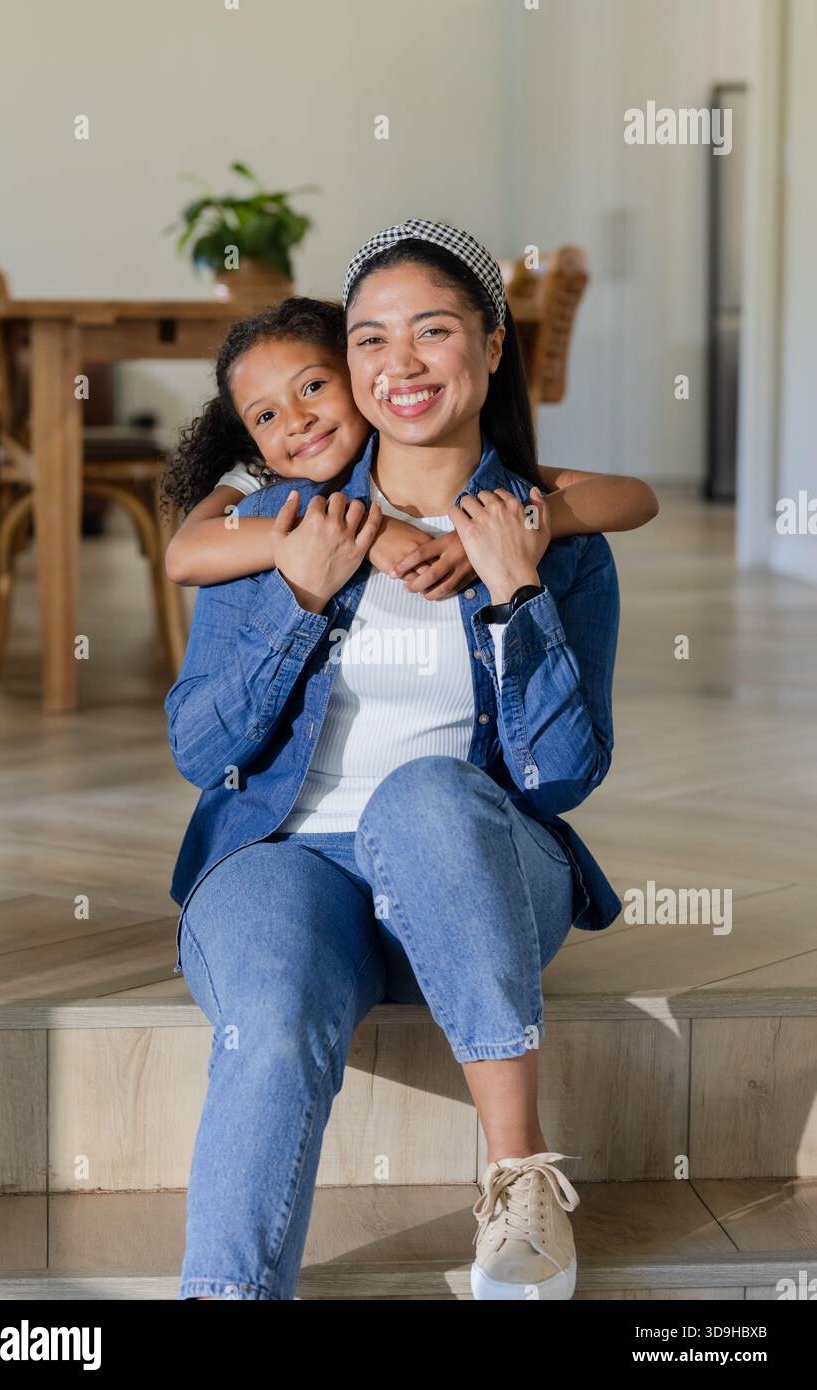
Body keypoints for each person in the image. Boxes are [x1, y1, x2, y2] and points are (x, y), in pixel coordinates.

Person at [164, 218, 644, 1301]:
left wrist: (517, 590)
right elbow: (201, 747)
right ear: (351, 364)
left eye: (432, 330)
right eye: (372, 339)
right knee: (275, 1004)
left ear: (490, 342)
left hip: (475, 872)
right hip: (289, 864)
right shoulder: (274, 524)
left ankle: (520, 1187)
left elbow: (564, 775)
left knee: (426, 795)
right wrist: (297, 597)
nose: (401, 363)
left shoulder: (547, 532)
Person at [159, 297, 658, 593]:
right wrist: (361, 533)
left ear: (359, 376)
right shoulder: (260, 472)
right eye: (266, 416)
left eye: (313, 387)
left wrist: (481, 538)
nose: (298, 421)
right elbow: (184, 556)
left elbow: (636, 497)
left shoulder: (419, 449)